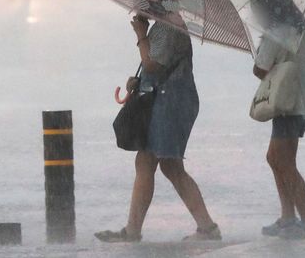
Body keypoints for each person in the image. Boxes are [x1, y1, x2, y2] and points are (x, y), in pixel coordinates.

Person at [94, 13, 221, 243]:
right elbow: (153, 67)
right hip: (166, 100)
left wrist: (141, 35)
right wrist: (138, 81)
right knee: (152, 163)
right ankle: (135, 230)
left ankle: (207, 228)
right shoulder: (163, 25)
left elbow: (152, 64)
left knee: (167, 165)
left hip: (172, 103)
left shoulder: (170, 26)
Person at [251, 0, 305, 240]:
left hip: (287, 104)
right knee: (275, 158)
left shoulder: (277, 32)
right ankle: (288, 217)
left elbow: (260, 69)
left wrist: (262, 47)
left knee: (285, 163)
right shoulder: (303, 29)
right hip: (301, 102)